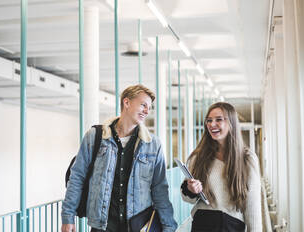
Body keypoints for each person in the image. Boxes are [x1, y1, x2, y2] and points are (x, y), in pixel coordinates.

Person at [62, 84, 178, 232]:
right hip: (102, 225)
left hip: (137, 225)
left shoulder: (153, 145)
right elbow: (77, 177)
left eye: (149, 107)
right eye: (143, 105)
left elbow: (159, 189)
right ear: (127, 102)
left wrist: (169, 226)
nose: (147, 111)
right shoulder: (95, 137)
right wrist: (68, 216)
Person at [181, 102, 262, 232]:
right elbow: (186, 198)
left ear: (231, 123)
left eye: (219, 119)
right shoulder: (198, 157)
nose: (212, 124)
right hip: (202, 225)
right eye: (209, 120)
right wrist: (191, 190)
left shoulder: (247, 159)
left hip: (231, 227)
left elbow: (253, 208)